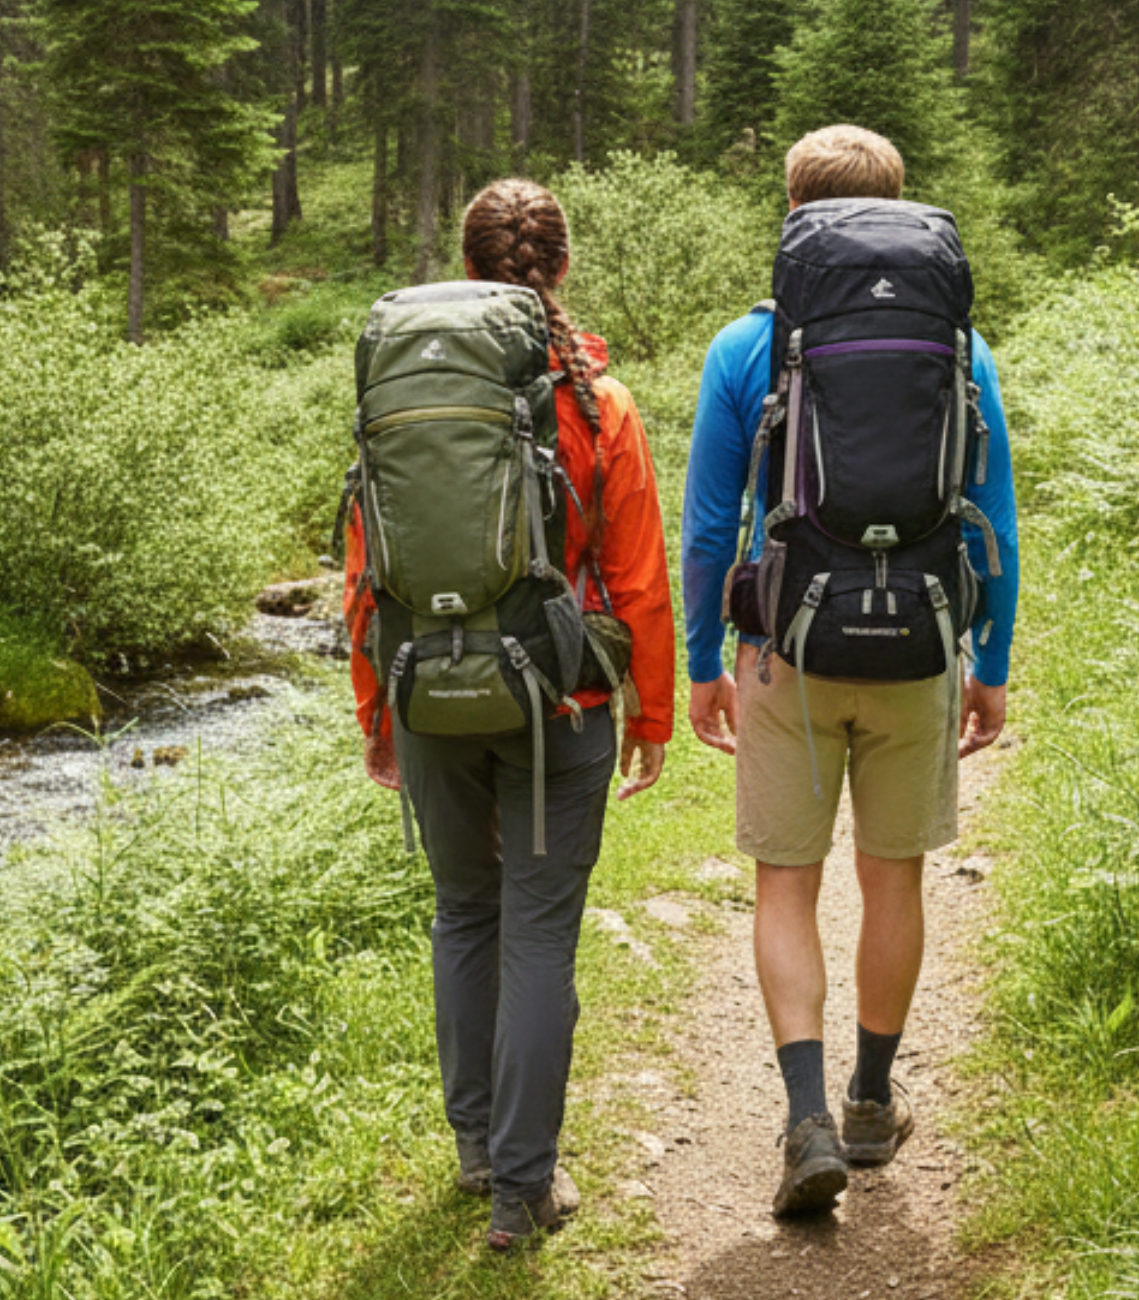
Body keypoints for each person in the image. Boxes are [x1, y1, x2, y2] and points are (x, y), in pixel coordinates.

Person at [681, 126, 1019, 1216]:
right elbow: (994, 517)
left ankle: (805, 1118)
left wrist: (701, 659)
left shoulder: (746, 347)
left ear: (793, 216)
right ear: (899, 204)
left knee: (786, 881)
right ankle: (872, 1101)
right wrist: (991, 660)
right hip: (920, 640)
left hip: (787, 647)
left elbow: (709, 526)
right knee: (893, 874)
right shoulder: (960, 348)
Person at [343, 179, 675, 1249]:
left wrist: (377, 712)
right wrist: (650, 715)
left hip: (427, 695)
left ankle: (478, 1149)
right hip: (560, 700)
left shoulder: (401, 401)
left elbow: (365, 572)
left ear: (467, 269)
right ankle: (522, 1189)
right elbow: (637, 577)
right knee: (539, 932)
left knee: (462, 912)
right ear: (561, 269)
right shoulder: (597, 404)